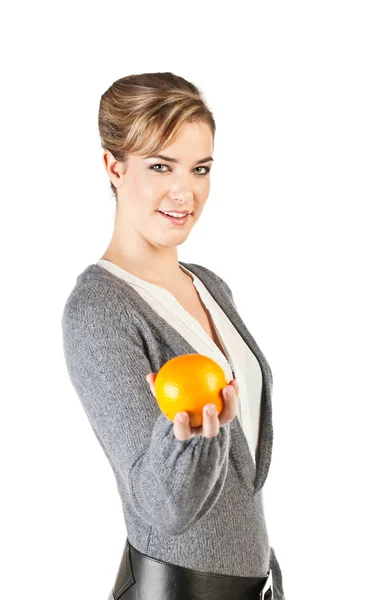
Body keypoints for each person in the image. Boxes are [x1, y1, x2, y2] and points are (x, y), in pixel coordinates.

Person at [61, 72, 285, 600]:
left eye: (199, 168)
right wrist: (191, 440)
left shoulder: (209, 285)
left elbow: (241, 476)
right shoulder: (100, 310)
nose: (184, 193)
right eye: (160, 166)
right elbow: (163, 508)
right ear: (114, 167)